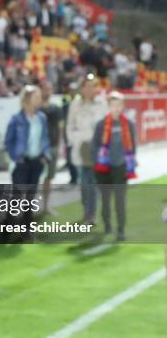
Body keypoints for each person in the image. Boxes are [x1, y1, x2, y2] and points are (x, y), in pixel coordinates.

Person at [4, 85, 51, 242]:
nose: (39, 99)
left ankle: (27, 233)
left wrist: (45, 156)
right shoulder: (16, 119)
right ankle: (6, 233)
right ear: (27, 99)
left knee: (30, 199)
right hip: (22, 164)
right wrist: (17, 158)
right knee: (16, 198)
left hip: (36, 162)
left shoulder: (41, 118)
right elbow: (8, 142)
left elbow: (45, 139)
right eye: (36, 96)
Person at [92, 91, 136, 241]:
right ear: (108, 106)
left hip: (121, 167)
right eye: (113, 105)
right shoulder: (101, 124)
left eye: (119, 105)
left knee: (120, 200)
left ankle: (121, 229)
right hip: (104, 169)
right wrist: (98, 164)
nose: (116, 108)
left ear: (123, 106)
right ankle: (107, 225)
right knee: (105, 199)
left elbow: (132, 147)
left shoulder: (128, 124)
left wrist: (131, 163)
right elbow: (95, 146)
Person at [66, 74, 107, 225]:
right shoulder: (75, 104)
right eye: (87, 86)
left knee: (94, 182)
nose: (90, 90)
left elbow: (106, 125)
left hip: (96, 148)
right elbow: (69, 125)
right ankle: (86, 211)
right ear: (82, 88)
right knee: (84, 181)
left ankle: (92, 215)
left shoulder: (101, 104)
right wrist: (74, 140)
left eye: (93, 86)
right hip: (81, 147)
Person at [39, 80, 62, 215]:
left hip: (52, 146)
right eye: (45, 88)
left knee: (49, 177)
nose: (47, 91)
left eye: (49, 88)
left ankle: (46, 205)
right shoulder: (35, 108)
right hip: (37, 148)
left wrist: (59, 145)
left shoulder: (56, 108)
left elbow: (59, 127)